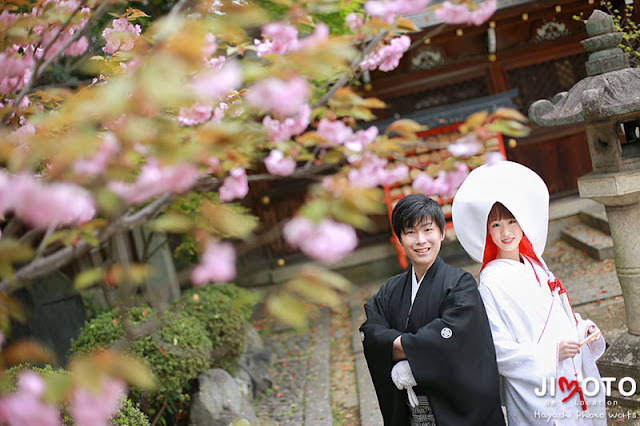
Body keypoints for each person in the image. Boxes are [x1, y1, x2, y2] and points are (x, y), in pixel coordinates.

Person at [451, 160, 606, 425]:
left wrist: (583, 330)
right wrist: (549, 355)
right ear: (487, 231)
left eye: (512, 221)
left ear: (522, 222)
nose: (506, 232)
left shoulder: (535, 264)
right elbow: (497, 347)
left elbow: (559, 316)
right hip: (533, 385)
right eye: (496, 225)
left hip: (568, 371)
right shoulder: (490, 282)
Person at [360, 193, 505, 426]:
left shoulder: (461, 283)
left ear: (441, 232)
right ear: (399, 238)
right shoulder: (390, 290)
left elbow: (454, 336)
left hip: (455, 409)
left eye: (428, 230)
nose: (420, 240)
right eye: (410, 232)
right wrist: (413, 346)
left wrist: (396, 345)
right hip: (413, 410)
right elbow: (371, 331)